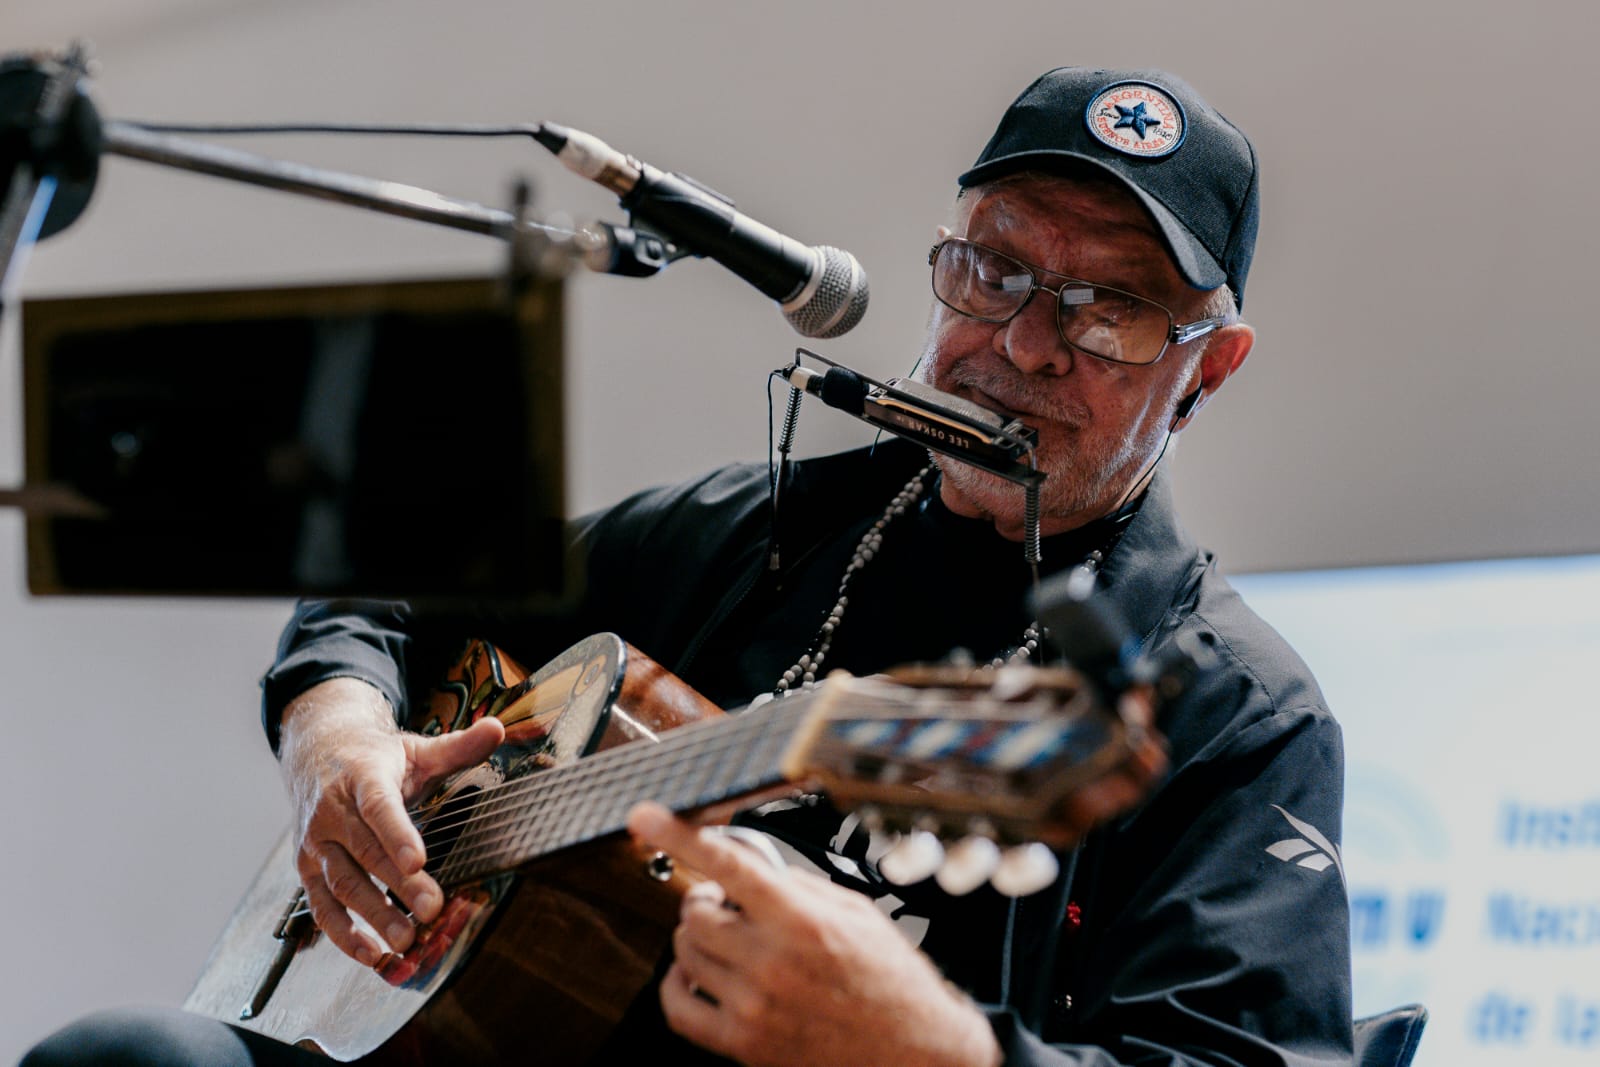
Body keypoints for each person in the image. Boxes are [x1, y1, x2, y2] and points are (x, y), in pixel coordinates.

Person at [24, 66, 1352, 1066]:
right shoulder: (773, 525)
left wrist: (941, 1052)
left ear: (1206, 372)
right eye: (993, 270)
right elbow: (396, 581)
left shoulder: (1233, 716)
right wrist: (337, 737)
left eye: (1108, 309)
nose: (1024, 345)